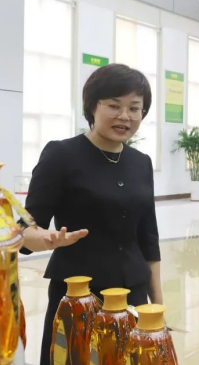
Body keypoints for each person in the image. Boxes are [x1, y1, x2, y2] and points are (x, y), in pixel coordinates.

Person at [20, 64, 163, 365]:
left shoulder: (141, 163)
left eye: (134, 108)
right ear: (92, 107)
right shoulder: (61, 155)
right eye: (113, 105)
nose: (124, 116)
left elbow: (148, 240)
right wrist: (46, 239)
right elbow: (25, 227)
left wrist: (157, 308)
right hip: (79, 297)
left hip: (133, 293)